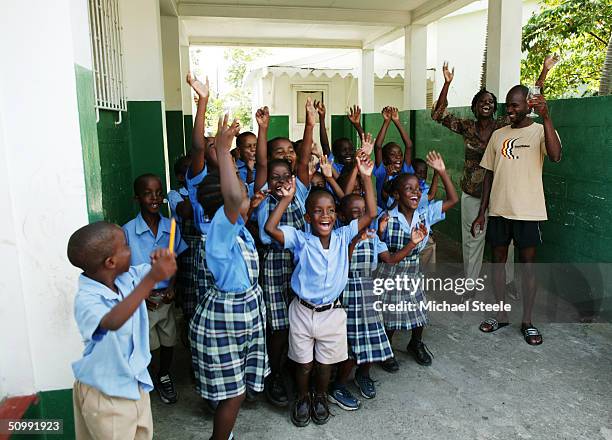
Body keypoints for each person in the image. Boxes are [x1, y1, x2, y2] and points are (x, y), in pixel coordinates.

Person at [265, 140, 377, 427]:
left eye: (329, 211)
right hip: (302, 311)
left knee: (325, 364)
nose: (324, 215)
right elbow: (270, 229)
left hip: (332, 313)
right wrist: (287, 199)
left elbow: (371, 214)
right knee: (303, 363)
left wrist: (366, 175)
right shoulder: (300, 239)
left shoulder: (342, 237)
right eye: (317, 211)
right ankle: (302, 397)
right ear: (307, 217)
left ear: (337, 216)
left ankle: (321, 396)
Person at [432, 57, 556, 293]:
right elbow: (437, 114)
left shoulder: (504, 124)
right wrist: (447, 83)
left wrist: (544, 71)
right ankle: (471, 283)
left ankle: (508, 282)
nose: (486, 104)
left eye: (490, 101)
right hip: (473, 193)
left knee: (506, 245)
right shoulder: (466, 126)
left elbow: (530, 101)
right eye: (481, 102)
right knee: (473, 240)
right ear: (474, 107)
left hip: (501, 195)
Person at [189, 115, 269, 440]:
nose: (242, 187)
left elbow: (239, 202)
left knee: (234, 389)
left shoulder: (236, 231)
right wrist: (223, 152)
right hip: (227, 319)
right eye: (236, 181)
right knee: (234, 394)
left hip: (242, 316)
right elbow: (235, 198)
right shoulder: (220, 232)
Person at [471, 85, 562, 345]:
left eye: (515, 106)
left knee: (527, 268)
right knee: (497, 264)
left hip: (528, 212)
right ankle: (500, 315)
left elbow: (555, 156)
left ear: (528, 106)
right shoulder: (499, 135)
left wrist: (546, 117)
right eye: (508, 105)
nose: (509, 110)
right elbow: (489, 173)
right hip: (499, 210)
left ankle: (528, 322)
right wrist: (482, 212)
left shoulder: (539, 131)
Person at [69, 221, 177, 440]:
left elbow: (149, 272)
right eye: (126, 247)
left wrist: (160, 261)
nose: (131, 251)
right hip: (105, 393)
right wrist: (151, 279)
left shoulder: (126, 279)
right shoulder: (87, 300)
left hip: (134, 383)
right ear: (111, 262)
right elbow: (112, 321)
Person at [252, 98, 315, 407]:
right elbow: (263, 166)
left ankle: (295, 370)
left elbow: (301, 161)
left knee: (301, 322)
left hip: (301, 264)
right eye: (274, 177)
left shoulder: (299, 188)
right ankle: (273, 376)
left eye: (285, 176)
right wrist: (262, 129)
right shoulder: (264, 196)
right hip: (275, 264)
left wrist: (311, 122)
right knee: (277, 326)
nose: (281, 181)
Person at [378, 152, 459, 372]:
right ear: (396, 194)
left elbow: (453, 199)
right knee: (391, 313)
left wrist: (441, 171)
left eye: (417, 189)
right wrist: (381, 230)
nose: (415, 192)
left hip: (413, 270)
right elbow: (382, 249)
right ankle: (386, 349)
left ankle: (416, 343)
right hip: (391, 271)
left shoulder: (424, 214)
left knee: (418, 311)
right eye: (409, 189)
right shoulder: (386, 218)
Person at [123, 174, 187, 404]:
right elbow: (124, 271)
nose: (155, 198)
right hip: (144, 300)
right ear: (137, 197)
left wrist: (172, 286)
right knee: (150, 343)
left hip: (165, 298)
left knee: (169, 339)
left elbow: (175, 259)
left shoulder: (171, 226)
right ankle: (153, 374)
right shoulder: (128, 231)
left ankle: (164, 373)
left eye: (159, 193)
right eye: (148, 193)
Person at [373, 106, 415, 209]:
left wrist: (396, 121)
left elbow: (409, 146)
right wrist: (386, 122)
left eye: (400, 154)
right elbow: (378, 146)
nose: (398, 158)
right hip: (384, 216)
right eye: (392, 155)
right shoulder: (382, 171)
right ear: (385, 159)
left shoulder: (405, 170)